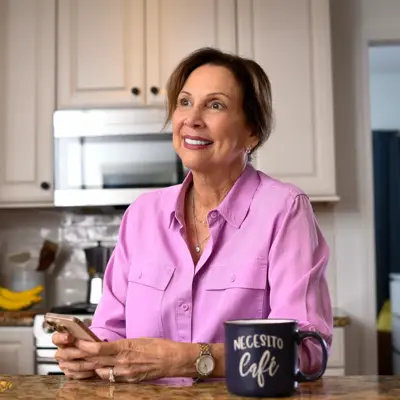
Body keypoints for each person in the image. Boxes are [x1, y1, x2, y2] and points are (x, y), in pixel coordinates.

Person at [53, 47, 333, 383]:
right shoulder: (142, 215)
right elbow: (110, 331)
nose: (192, 118)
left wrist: (191, 359)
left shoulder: (284, 210)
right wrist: (87, 354)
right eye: (185, 102)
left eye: (215, 105)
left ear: (252, 131)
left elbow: (306, 353)